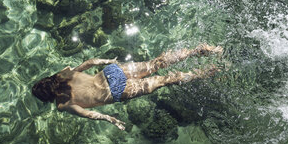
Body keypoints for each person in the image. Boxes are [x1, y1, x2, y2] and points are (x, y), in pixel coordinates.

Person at [32, 44, 223, 130]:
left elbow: (89, 114)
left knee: (165, 80)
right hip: (110, 72)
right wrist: (108, 60)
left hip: (115, 92)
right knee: (157, 63)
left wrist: (110, 119)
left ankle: (205, 72)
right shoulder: (63, 73)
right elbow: (90, 62)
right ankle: (200, 50)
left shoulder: (62, 105)